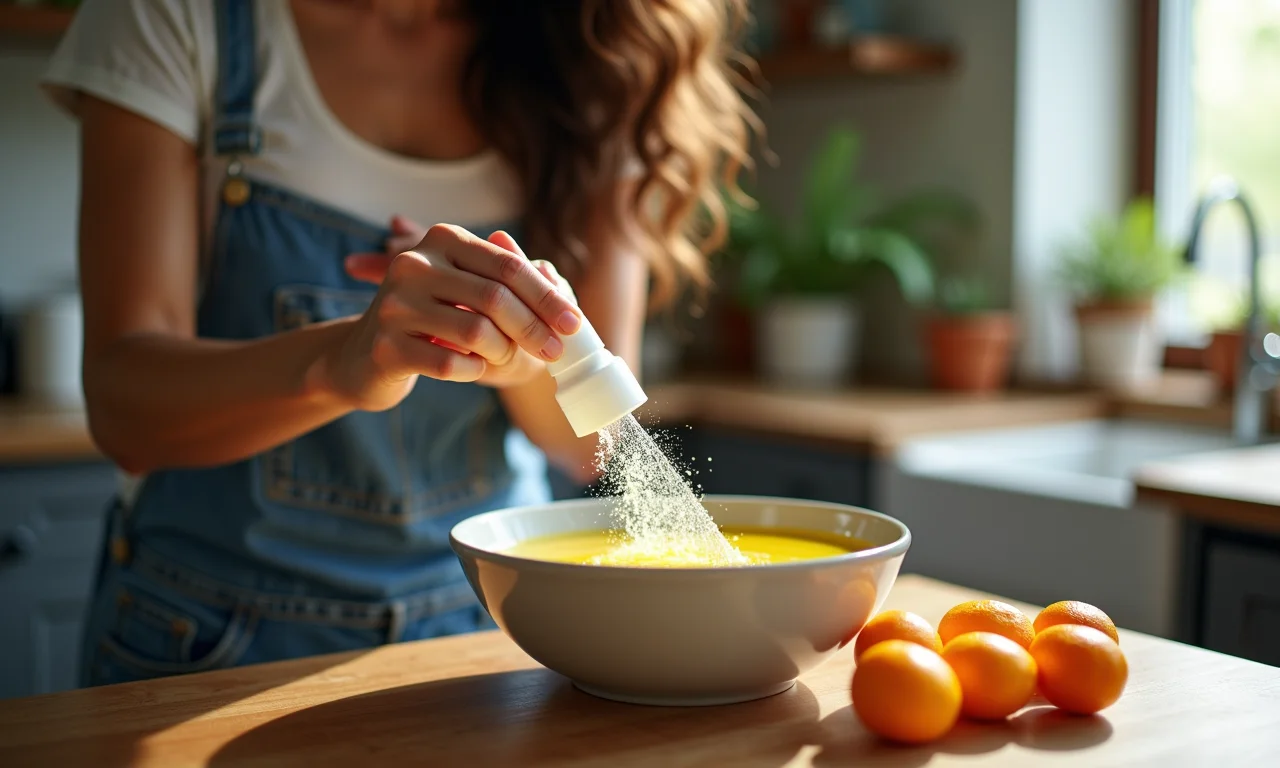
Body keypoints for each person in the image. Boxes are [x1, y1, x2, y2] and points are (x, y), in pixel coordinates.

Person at [40, 0, 754, 687]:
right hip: (205, 641)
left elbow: (589, 444)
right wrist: (343, 362)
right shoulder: (178, 16)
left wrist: (510, 360)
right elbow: (123, 409)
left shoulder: (605, 49)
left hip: (492, 632)